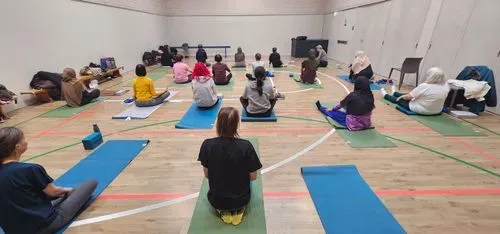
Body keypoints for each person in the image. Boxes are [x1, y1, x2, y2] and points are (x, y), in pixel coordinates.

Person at [0, 127, 98, 234]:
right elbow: (54, 192)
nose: (26, 142)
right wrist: (67, 191)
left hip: (12, 230)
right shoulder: (29, 169)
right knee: (90, 183)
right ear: (17, 147)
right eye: (23, 139)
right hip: (43, 225)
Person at [197, 107, 262, 225]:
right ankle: (237, 209)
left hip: (217, 200)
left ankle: (224, 210)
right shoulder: (246, 146)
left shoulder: (207, 145)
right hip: (241, 199)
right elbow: (253, 177)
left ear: (218, 124)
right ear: (236, 124)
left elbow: (207, 175)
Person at [381, 67, 449, 115]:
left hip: (421, 110)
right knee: (407, 94)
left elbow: (408, 97)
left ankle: (385, 95)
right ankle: (394, 93)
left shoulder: (425, 86)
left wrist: (402, 97)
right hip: (437, 110)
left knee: (400, 99)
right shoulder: (446, 86)